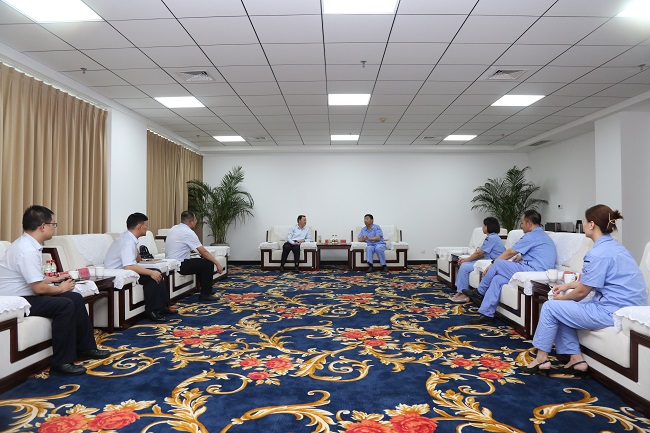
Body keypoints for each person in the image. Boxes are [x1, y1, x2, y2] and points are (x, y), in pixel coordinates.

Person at [523, 205, 647, 376]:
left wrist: (559, 298)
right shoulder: (617, 248)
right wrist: (567, 286)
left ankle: (541, 358)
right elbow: (594, 279)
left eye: (585, 221)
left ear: (592, 224)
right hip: (629, 306)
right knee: (563, 308)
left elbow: (582, 292)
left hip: (612, 311)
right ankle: (576, 359)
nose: (584, 224)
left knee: (552, 307)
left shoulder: (597, 253)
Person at [0, 205, 109, 375]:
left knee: (75, 297)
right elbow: (39, 289)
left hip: (26, 294)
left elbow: (31, 277)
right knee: (64, 305)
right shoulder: (26, 250)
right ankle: (61, 362)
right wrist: (61, 288)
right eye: (53, 224)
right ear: (43, 226)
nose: (54, 227)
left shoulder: (29, 244)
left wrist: (54, 279)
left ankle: (86, 348)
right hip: (18, 300)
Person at [463, 210, 556, 324]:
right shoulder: (540, 235)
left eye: (522, 223)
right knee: (498, 279)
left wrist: (492, 264)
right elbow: (538, 253)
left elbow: (510, 252)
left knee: (498, 264)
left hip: (534, 271)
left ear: (529, 224)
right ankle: (487, 314)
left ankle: (480, 292)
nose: (521, 226)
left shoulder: (531, 236)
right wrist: (521, 257)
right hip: (535, 268)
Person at [104, 212, 175, 322]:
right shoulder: (128, 242)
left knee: (156, 271)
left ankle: (162, 307)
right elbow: (129, 266)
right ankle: (151, 310)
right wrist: (151, 273)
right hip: (118, 272)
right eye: (146, 225)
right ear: (139, 227)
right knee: (152, 277)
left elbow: (137, 260)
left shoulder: (128, 237)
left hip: (123, 269)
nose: (147, 228)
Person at [165, 210, 225, 300]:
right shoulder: (188, 232)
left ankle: (205, 289)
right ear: (190, 222)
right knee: (208, 264)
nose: (196, 222)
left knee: (200, 262)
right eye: (195, 220)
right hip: (180, 265)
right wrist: (217, 264)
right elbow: (203, 252)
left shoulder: (174, 228)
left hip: (172, 262)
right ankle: (205, 294)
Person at [451, 217, 505, 303]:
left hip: (492, 263)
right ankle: (460, 291)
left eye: (483, 225)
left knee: (464, 266)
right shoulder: (492, 237)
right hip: (487, 261)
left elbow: (479, 253)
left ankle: (464, 294)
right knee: (465, 264)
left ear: (487, 227)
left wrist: (467, 260)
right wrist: (467, 259)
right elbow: (482, 253)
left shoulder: (492, 238)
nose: (482, 227)